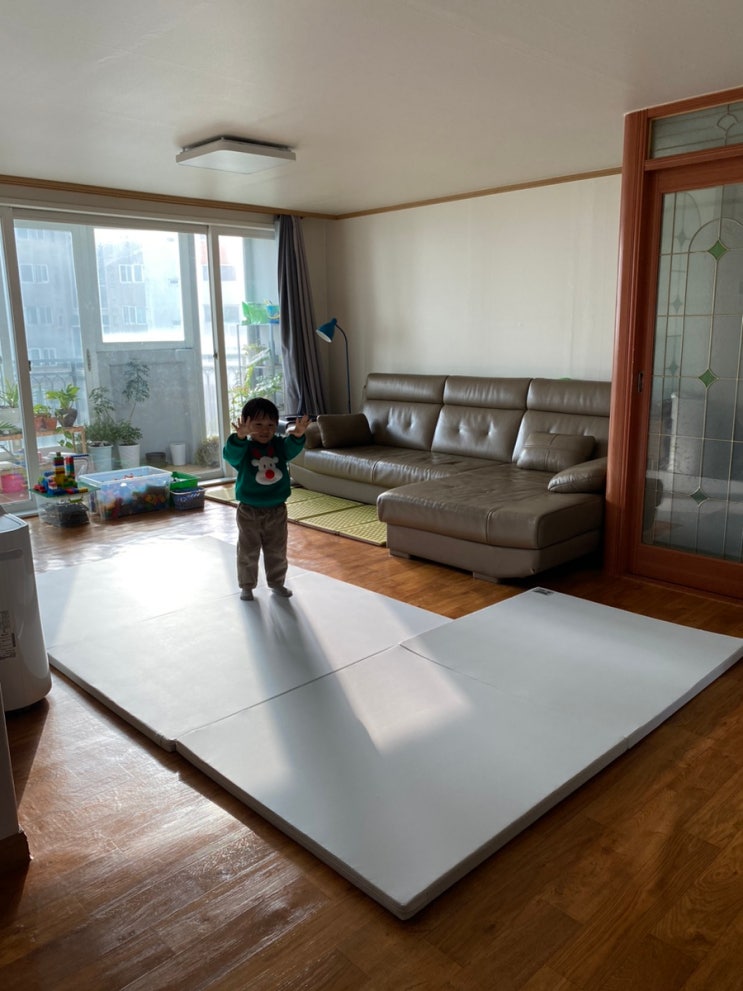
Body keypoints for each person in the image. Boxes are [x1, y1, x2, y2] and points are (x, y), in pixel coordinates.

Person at [222, 398, 311, 600]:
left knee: (276, 550)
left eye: (271, 425)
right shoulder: (244, 448)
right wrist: (239, 437)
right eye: (258, 424)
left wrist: (298, 435)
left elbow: (291, 448)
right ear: (246, 423)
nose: (265, 430)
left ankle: (277, 583)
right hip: (249, 510)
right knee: (248, 550)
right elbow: (230, 455)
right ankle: (247, 586)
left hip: (277, 509)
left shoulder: (279, 445)